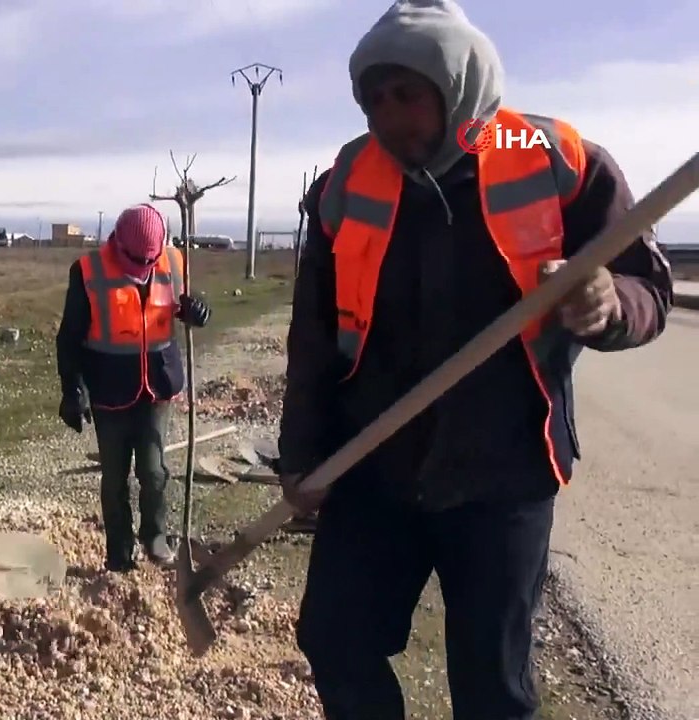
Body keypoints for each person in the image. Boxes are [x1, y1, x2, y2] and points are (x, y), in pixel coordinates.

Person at [277, 2, 675, 718]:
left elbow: (649, 286)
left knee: (494, 688)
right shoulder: (345, 182)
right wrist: (301, 455)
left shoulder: (560, 162)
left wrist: (610, 303)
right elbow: (311, 335)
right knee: (334, 638)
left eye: (409, 95)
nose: (390, 117)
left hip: (504, 477)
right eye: (374, 98)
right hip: (374, 470)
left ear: (457, 84)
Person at [55, 204, 213, 572]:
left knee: (155, 470)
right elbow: (69, 337)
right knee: (114, 478)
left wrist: (197, 312)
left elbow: (186, 304)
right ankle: (119, 554)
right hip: (110, 390)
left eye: (149, 258)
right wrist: (72, 389)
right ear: (117, 242)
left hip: (158, 387)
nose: (143, 265)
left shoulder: (174, 261)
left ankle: (156, 538)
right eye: (134, 258)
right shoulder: (88, 271)